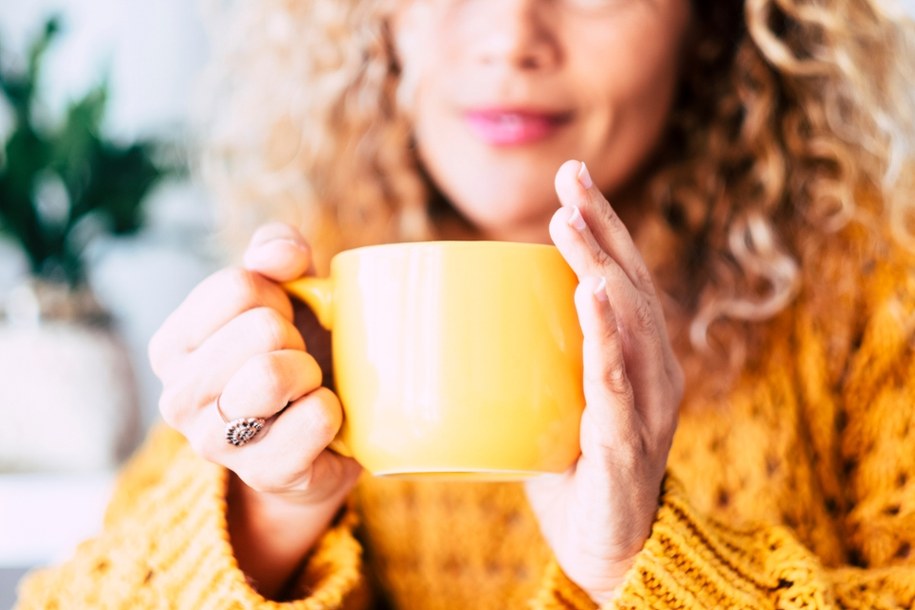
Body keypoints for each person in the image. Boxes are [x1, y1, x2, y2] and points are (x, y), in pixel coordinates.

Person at [15, 0, 915, 608]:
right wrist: (266, 518)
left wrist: (638, 563)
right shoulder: (317, 294)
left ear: (713, 24)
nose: (508, 36)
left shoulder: (876, 289)